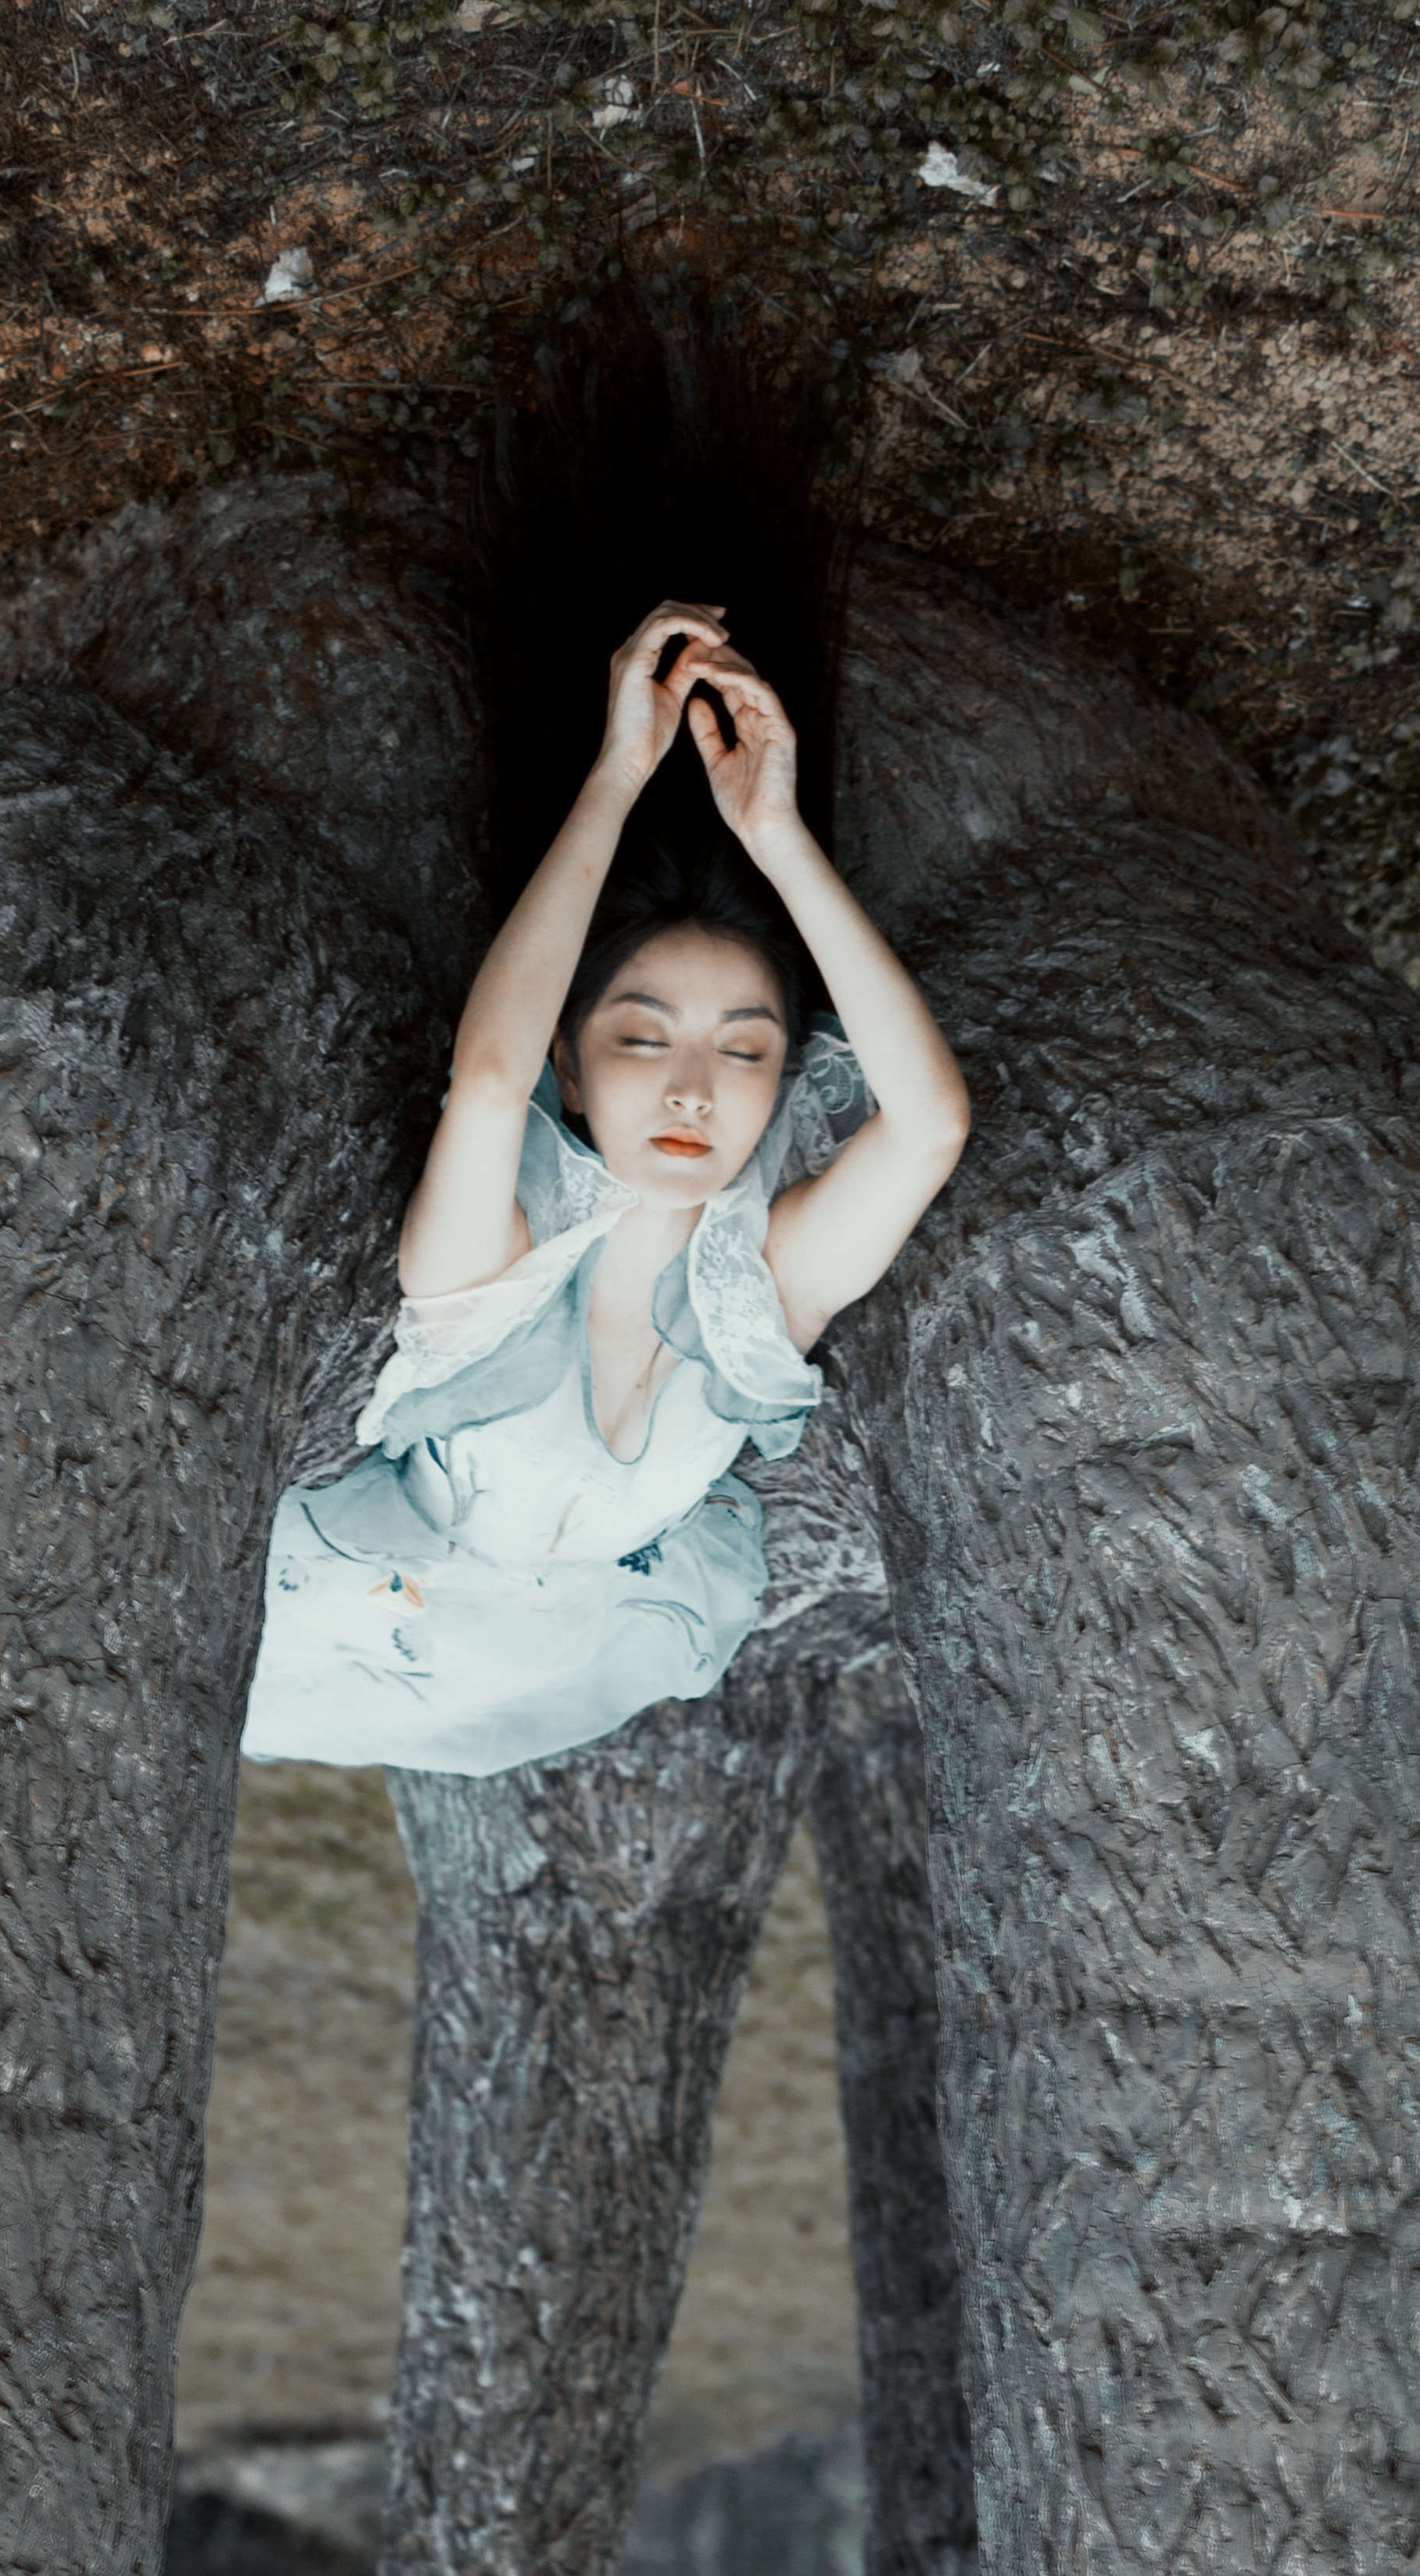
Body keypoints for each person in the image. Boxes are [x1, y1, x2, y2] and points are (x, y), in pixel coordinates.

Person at [237, 591, 971, 1778]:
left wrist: (778, 836)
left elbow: (929, 1125)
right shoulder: (500, 1262)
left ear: (783, 1085)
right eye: (643, 1038)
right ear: (569, 1065)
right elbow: (489, 1077)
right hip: (368, 1609)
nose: (694, 1091)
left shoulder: (762, 1291)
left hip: (589, 1633)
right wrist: (618, 773)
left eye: (744, 1052)